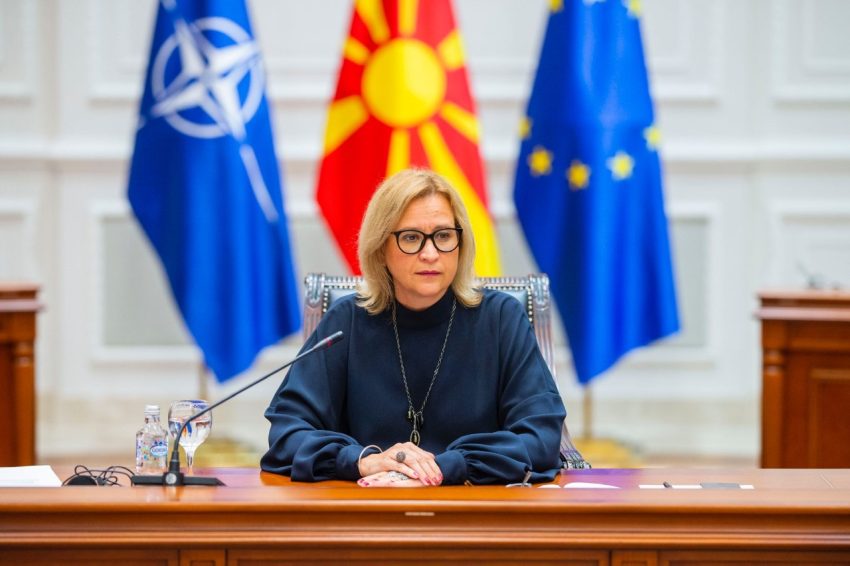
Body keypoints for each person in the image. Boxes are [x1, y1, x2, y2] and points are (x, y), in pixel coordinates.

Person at [261, 168, 567, 486]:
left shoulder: (501, 318)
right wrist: (362, 460)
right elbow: (288, 433)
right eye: (411, 238)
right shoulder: (346, 321)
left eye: (444, 236)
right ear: (380, 248)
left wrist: (450, 465)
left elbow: (540, 436)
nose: (430, 254)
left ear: (461, 244)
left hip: (473, 503)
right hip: (367, 506)